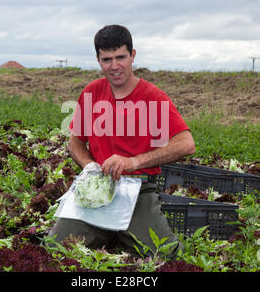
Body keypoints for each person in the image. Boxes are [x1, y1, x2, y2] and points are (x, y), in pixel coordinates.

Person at [49, 25, 195, 259]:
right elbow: (75, 143)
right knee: (55, 248)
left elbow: (186, 143)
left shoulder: (152, 96)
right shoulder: (92, 92)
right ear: (98, 60)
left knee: (165, 255)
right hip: (97, 188)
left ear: (132, 55)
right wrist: (89, 165)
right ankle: (115, 232)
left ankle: (122, 230)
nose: (114, 66)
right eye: (107, 59)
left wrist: (133, 162)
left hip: (137, 188)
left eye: (120, 57)